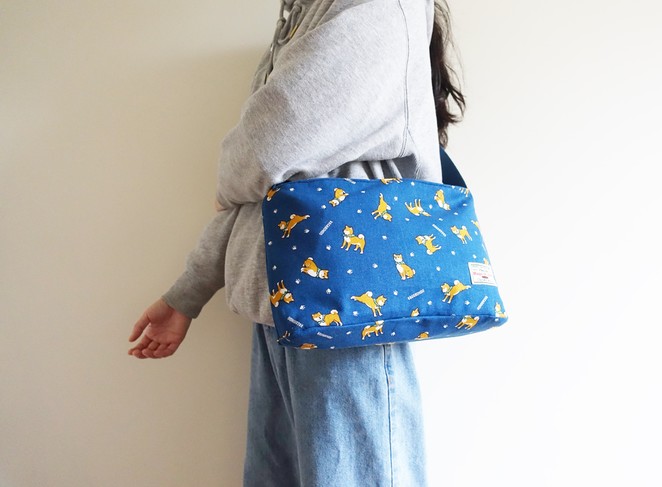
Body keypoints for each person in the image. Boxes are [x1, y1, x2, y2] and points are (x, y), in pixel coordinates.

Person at [128, 0, 465, 484]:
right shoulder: (306, 12)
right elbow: (267, 189)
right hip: (284, 309)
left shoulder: (373, 6)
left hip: (347, 314)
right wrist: (188, 293)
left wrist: (231, 179)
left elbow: (269, 149)